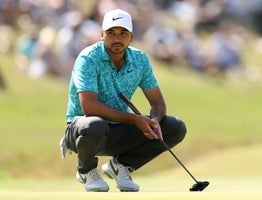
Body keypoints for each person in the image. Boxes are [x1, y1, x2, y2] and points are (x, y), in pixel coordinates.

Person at [60, 9, 186, 192]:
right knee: (95, 124)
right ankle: (86, 170)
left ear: (132, 37)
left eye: (123, 33)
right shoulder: (88, 58)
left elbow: (157, 102)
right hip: (82, 130)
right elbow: (88, 106)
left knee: (174, 127)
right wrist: (135, 119)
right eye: (111, 33)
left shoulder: (140, 60)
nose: (117, 39)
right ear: (102, 35)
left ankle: (120, 166)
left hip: (116, 130)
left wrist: (155, 121)